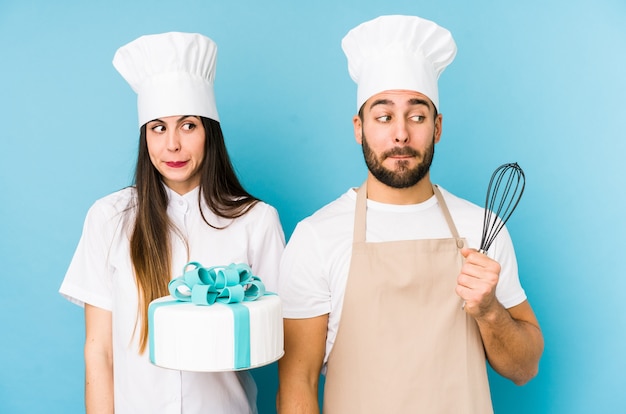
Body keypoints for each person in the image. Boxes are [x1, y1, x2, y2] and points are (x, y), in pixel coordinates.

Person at [276, 15, 544, 413]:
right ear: (359, 128)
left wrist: (489, 310)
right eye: (383, 117)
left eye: (416, 116)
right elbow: (297, 381)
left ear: (436, 128)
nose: (400, 134)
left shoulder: (482, 229)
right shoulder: (317, 236)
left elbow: (524, 368)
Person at [59, 32, 285, 413]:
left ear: (209, 132)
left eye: (188, 125)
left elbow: (283, 333)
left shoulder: (256, 219)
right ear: (145, 136)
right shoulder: (109, 218)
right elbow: (99, 351)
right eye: (158, 128)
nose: (173, 145)